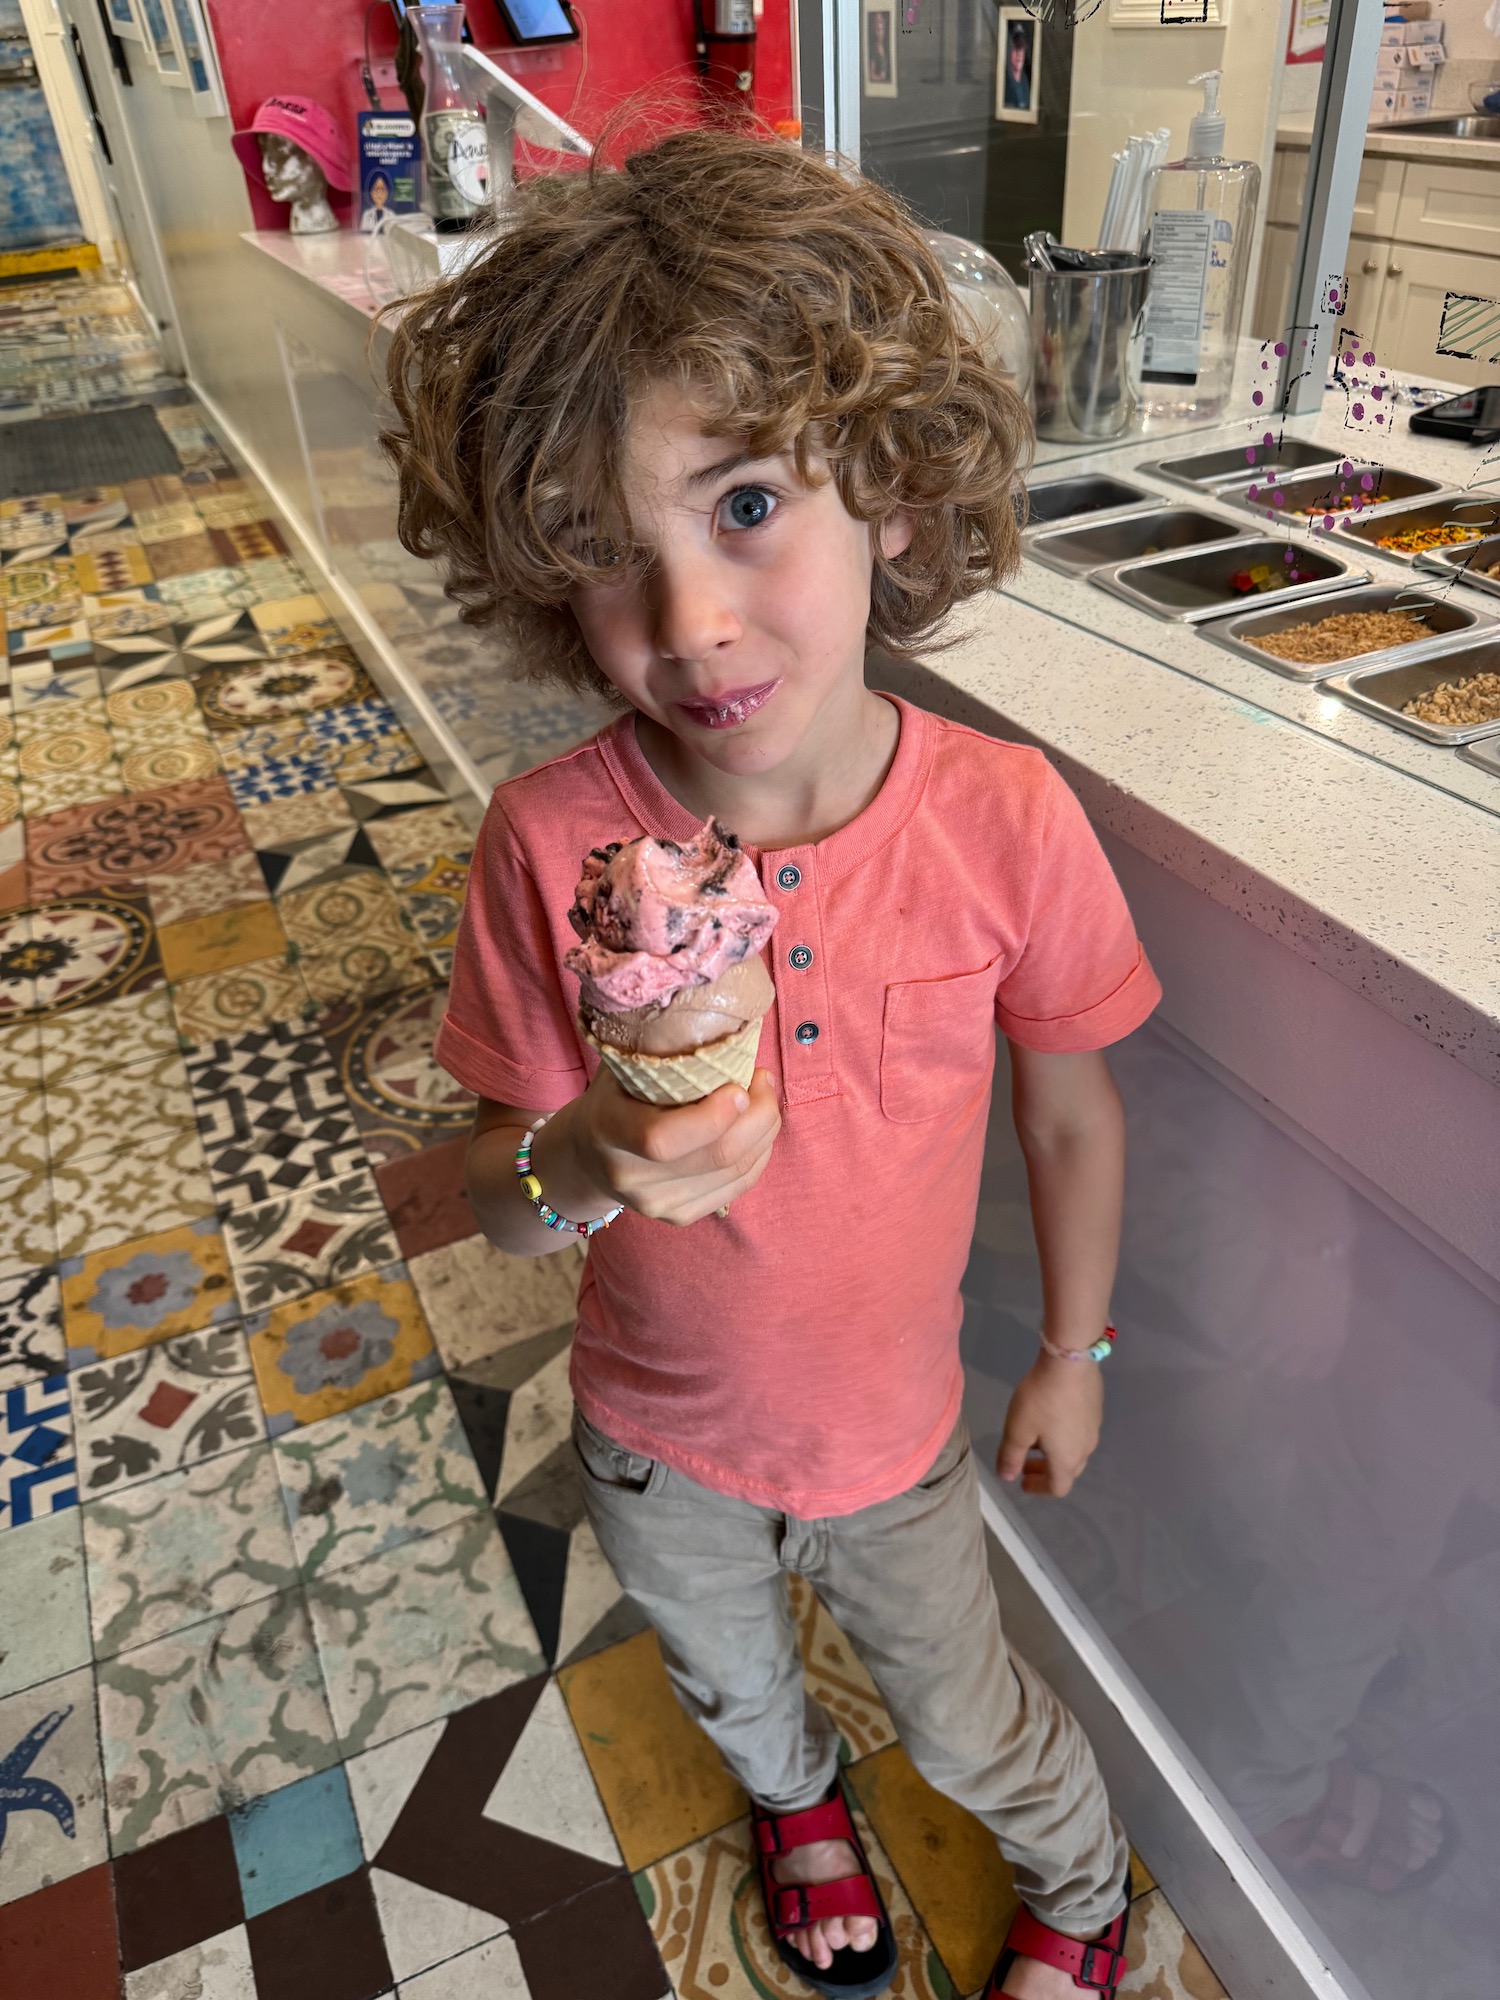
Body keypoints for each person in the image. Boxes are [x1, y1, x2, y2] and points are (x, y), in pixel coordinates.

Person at [382, 128, 1161, 2000]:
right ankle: (795, 1807)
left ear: (888, 491)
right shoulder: (548, 842)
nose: (693, 623)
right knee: (731, 1678)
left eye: (743, 506)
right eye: (610, 556)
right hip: (654, 1439)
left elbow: (1069, 1108)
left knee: (969, 1719)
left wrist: (1076, 1350)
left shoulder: (1003, 819)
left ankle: (1084, 1879)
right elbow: (482, 1197)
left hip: (897, 1445)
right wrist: (583, 1158)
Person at [1004, 22, 1032, 111]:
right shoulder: (1003, 84)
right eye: (1016, 47)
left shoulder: (1027, 82)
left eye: (1022, 47)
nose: (1019, 54)